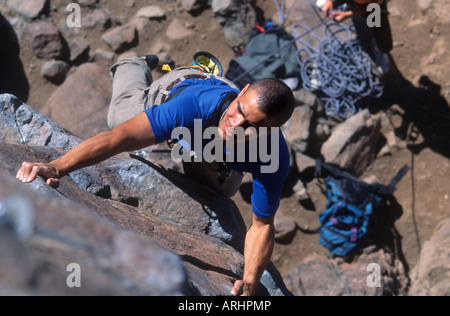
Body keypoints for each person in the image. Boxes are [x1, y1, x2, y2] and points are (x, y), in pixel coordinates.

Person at [16, 54, 295, 296]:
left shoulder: (273, 155)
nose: (236, 125)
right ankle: (134, 64)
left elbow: (262, 224)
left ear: (270, 132)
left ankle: (199, 146)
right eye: (239, 111)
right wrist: (56, 167)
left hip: (209, 142)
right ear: (243, 90)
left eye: (251, 127)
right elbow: (121, 138)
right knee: (118, 118)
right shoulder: (195, 106)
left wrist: (250, 280)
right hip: (173, 95)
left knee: (222, 193)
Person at [322, 0, 394, 74]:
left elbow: (374, 6)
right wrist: (329, 1)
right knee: (362, 30)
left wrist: (348, 14)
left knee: (385, 45)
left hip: (374, 9)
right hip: (357, 5)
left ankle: (384, 61)